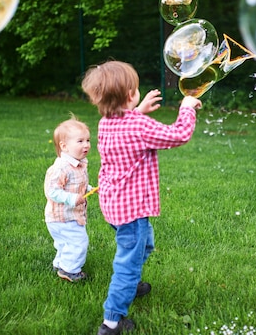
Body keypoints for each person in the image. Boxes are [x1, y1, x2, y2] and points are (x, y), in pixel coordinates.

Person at [81, 61, 202, 335]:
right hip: (132, 211)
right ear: (128, 96)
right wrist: (186, 109)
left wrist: (138, 111)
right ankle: (111, 322)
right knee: (128, 260)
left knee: (143, 245)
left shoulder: (106, 122)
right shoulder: (137, 125)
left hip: (114, 205)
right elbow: (178, 135)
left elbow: (130, 127)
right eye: (134, 89)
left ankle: (131, 282)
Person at [44, 115, 95, 283]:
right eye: (80, 141)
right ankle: (71, 270)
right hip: (63, 217)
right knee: (78, 241)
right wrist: (73, 199)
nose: (86, 144)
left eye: (87, 140)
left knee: (65, 243)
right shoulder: (61, 168)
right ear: (64, 146)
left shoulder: (79, 163)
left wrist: (89, 189)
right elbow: (52, 191)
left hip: (66, 216)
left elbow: (77, 184)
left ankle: (60, 264)